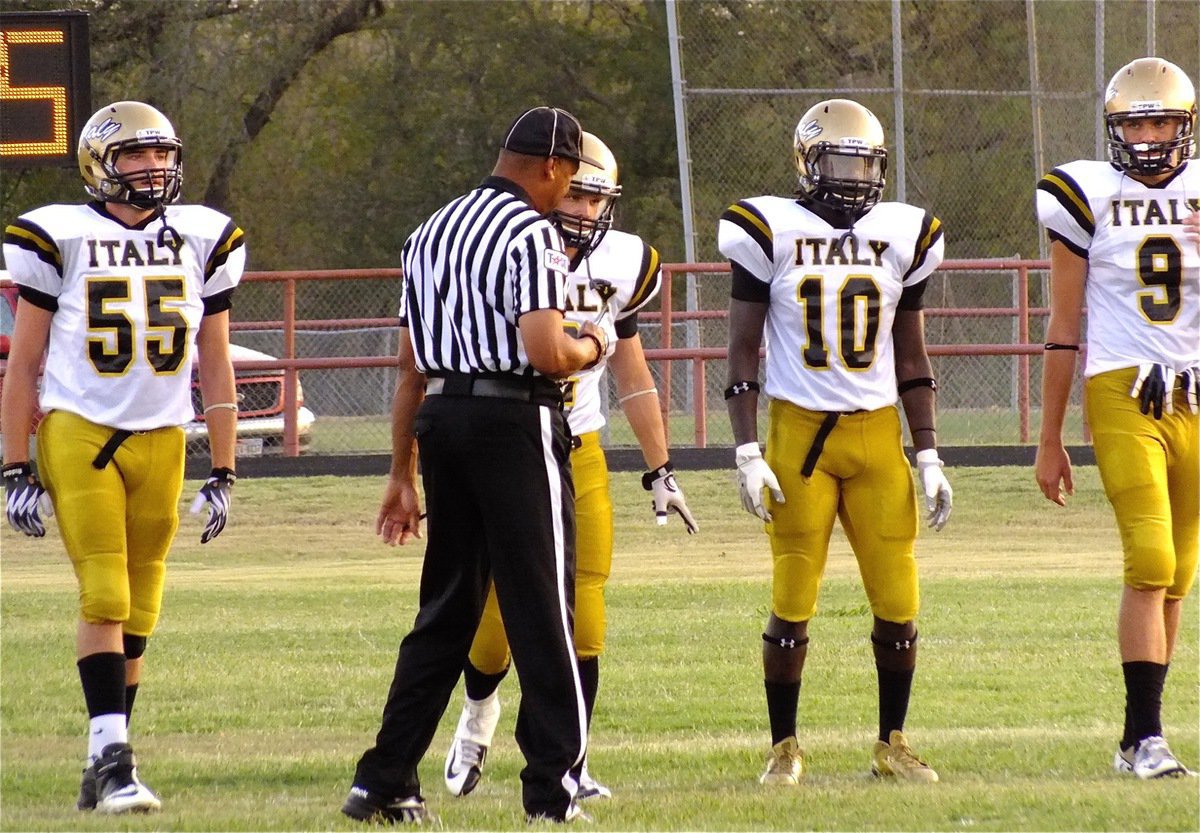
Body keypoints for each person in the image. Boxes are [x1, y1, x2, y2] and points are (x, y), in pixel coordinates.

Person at [342, 106, 612, 825]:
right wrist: (593, 344)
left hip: (441, 417)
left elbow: (408, 366)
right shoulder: (532, 233)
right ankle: (553, 790)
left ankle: (385, 777)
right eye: (571, 178)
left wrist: (401, 471)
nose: (570, 194)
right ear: (552, 167)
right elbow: (546, 352)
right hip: (514, 418)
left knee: (446, 609)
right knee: (544, 604)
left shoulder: (429, 230)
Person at [441, 132, 698, 803]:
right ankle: (477, 712)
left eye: (596, 197)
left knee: (586, 607)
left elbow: (633, 372)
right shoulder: (512, 240)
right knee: (498, 609)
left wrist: (660, 468)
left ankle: (569, 763)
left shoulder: (623, 260)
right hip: (515, 436)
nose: (584, 209)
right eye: (577, 191)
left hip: (578, 442)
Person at [1, 100, 243, 813]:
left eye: (163, 154)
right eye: (136, 154)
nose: (154, 167)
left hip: (164, 437)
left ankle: (104, 757)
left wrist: (225, 466)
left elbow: (217, 362)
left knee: (141, 605)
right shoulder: (59, 235)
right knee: (104, 591)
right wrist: (16, 465)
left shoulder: (202, 237)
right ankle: (115, 762)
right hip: (80, 432)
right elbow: (26, 362)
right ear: (98, 163)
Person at [718, 98, 952, 786]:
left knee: (899, 599)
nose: (854, 176)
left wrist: (931, 453)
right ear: (808, 163)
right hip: (800, 439)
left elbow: (912, 354)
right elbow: (741, 352)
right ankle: (783, 744)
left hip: (878, 438)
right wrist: (745, 450)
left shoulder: (904, 232)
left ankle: (892, 741)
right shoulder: (770, 229)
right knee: (792, 597)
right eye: (840, 160)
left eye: (864, 162)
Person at [1035, 57, 1199, 780]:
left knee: (1179, 574)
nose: (1149, 135)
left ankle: (1140, 739)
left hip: (1196, 394)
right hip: (1122, 389)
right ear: (1114, 129)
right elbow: (1063, 324)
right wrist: (1050, 438)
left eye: (1161, 119)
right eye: (1136, 121)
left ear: (1185, 125)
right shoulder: (1087, 197)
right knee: (1151, 558)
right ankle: (1147, 735)